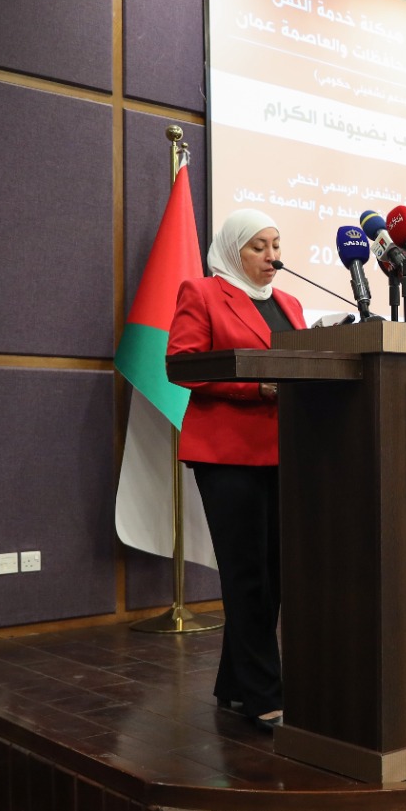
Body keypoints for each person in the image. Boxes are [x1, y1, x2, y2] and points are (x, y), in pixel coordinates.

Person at [167, 209, 304, 732]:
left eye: (276, 245)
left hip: (286, 452)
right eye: (258, 246)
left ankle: (234, 683)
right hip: (227, 455)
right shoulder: (202, 293)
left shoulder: (289, 304)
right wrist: (256, 386)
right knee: (247, 577)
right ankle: (262, 693)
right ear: (233, 251)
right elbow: (182, 364)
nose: (272, 256)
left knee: (274, 576)